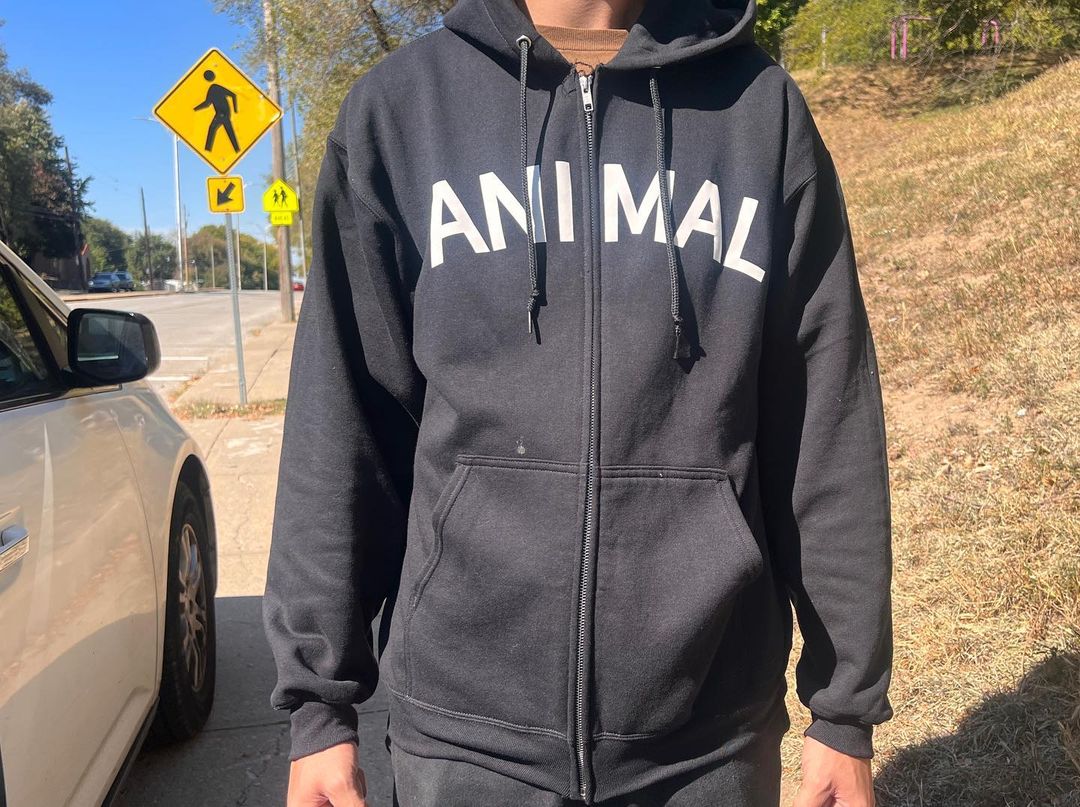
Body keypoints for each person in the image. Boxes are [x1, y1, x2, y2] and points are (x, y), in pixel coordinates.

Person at [263, 0, 894, 805]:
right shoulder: (403, 110)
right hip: (465, 745)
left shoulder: (757, 111)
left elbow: (824, 420)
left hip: (708, 741)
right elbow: (344, 419)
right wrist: (320, 709)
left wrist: (844, 709)